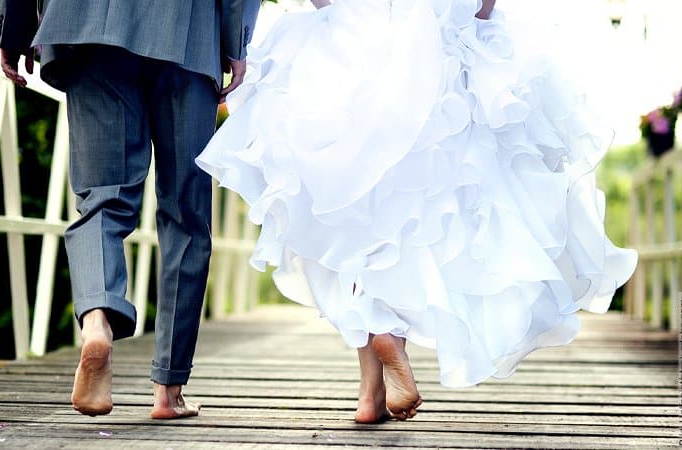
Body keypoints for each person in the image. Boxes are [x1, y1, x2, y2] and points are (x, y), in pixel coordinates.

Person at [196, 0, 638, 423]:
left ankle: (371, 391)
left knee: (354, 214)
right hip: (432, 37)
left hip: (351, 32)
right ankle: (384, 345)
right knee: (404, 216)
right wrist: (478, 18)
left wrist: (343, 16)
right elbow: (481, 4)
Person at [0, 0, 259, 418]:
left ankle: (98, 321)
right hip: (188, 32)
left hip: (86, 24)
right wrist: (235, 42)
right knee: (185, 212)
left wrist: (14, 30)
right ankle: (168, 389)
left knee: (103, 196)